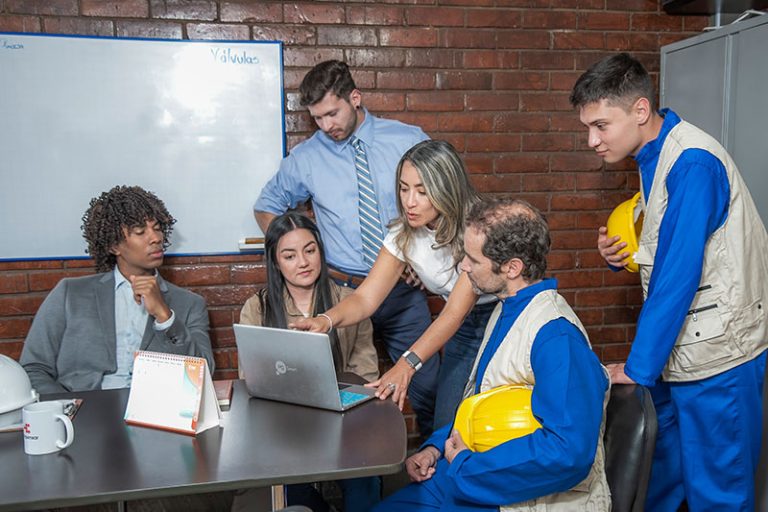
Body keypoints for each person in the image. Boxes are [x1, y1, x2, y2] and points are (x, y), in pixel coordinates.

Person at [570, 52, 768, 511]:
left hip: (719, 357)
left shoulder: (692, 164)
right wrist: (621, 257)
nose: (592, 140)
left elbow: (678, 274)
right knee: (662, 480)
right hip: (680, 352)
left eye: (600, 125)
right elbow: (666, 244)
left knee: (719, 492)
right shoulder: (652, 156)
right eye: (588, 128)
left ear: (640, 110)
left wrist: (639, 367)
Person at [374, 198, 611, 511]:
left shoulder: (556, 336)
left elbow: (568, 453)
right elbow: (484, 404)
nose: (463, 266)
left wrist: (466, 465)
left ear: (512, 267)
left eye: (473, 259)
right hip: (471, 469)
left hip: (512, 492)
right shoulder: (506, 307)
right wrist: (436, 446)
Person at [254, 59, 438, 436]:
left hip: (403, 292)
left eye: (332, 113)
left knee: (428, 386)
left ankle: (434, 458)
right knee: (345, 391)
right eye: (317, 118)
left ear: (355, 98)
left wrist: (425, 260)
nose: (326, 126)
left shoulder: (408, 140)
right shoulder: (306, 158)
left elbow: (441, 203)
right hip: (342, 292)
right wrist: (294, 247)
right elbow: (266, 206)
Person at [293, 140, 498, 430]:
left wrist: (406, 365)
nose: (409, 201)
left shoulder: (476, 229)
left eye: (422, 192)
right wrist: (326, 320)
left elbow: (454, 311)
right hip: (462, 328)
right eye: (403, 189)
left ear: (447, 189)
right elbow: (366, 298)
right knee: (447, 422)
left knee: (489, 420)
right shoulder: (405, 233)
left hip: (501, 319)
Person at [235, 211, 380, 512]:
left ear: (320, 252)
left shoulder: (349, 302)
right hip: (284, 425)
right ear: (275, 262)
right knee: (289, 491)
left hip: (343, 420)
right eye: (289, 256)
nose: (303, 262)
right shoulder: (257, 307)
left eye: (310, 251)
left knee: (364, 482)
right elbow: (252, 378)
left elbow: (365, 374)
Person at [20, 185, 214, 393]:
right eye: (140, 231)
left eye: (157, 228)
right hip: (85, 407)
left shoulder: (190, 304)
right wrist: (67, 407)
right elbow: (34, 368)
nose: (156, 238)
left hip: (155, 407)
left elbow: (203, 375)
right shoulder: (70, 294)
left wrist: (165, 317)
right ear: (113, 246)